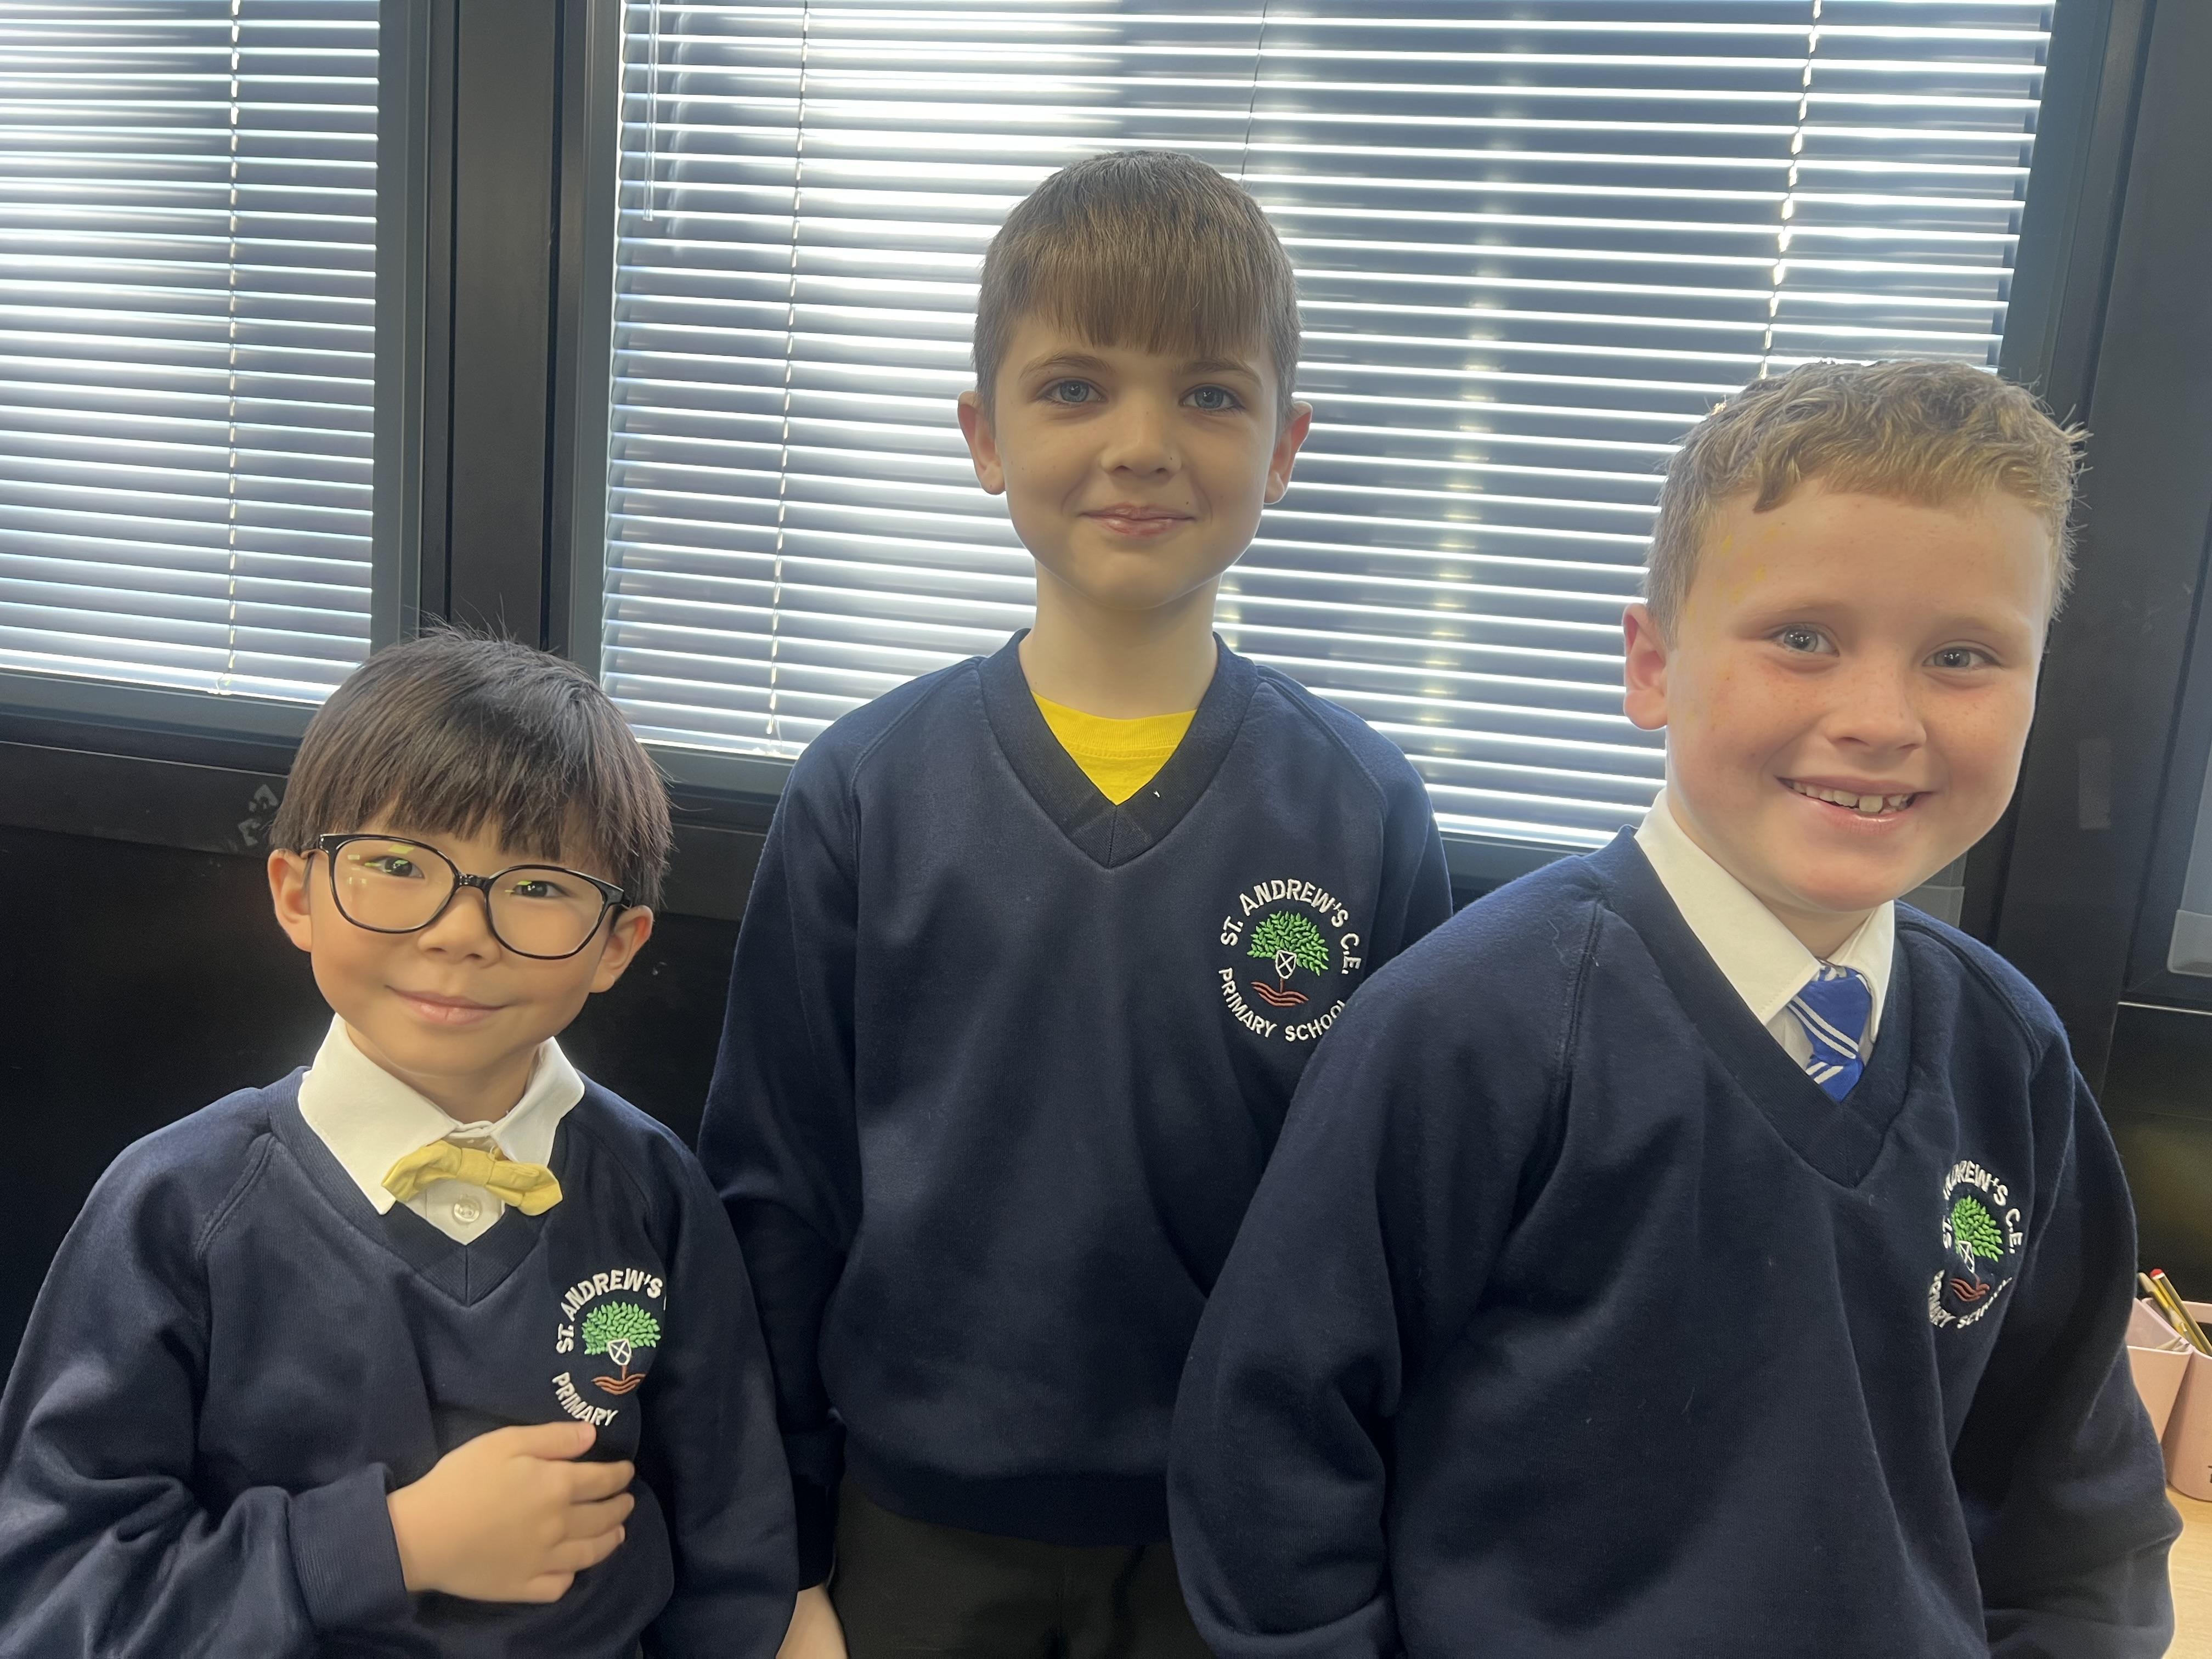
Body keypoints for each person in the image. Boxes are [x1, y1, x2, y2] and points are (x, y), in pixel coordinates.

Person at [1168, 359, 2182, 1657]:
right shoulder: (1466, 1029)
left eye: (1963, 656)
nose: (1880, 719)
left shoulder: (2014, 1058)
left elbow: (2079, 1514)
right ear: (1652, 666)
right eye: (1804, 638)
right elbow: (1273, 1462)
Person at [699, 149, 1452, 1659]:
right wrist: (777, 1560)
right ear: (984, 436)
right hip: (909, 1532)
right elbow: (776, 1196)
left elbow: (1407, 1235)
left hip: (1239, 1546)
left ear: (1286, 448)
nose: (1143, 445)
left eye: (1211, 394)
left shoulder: (1363, 809)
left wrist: (1372, 1556)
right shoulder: (865, 790)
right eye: (1074, 388)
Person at [0, 633, 796, 1656]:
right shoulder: (173, 1208)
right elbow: (57, 1594)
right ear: (297, 893)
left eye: (538, 885)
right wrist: (392, 1545)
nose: (461, 931)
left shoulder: (652, 1188)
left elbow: (731, 1532)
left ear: (617, 945)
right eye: (397, 865)